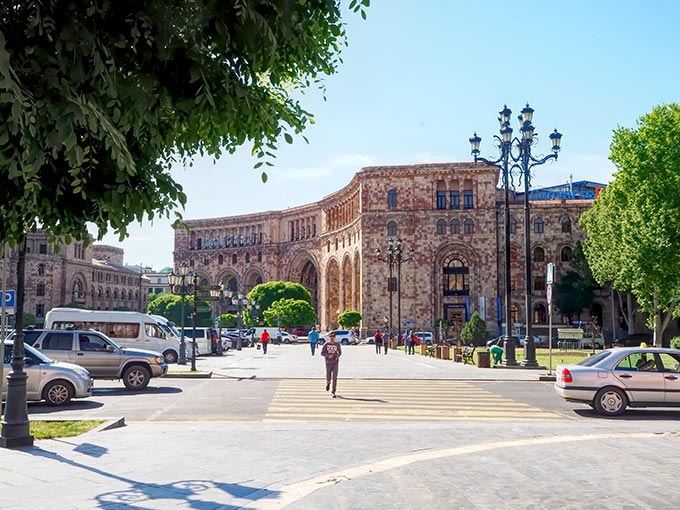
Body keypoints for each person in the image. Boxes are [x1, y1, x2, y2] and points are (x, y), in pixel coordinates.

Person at [321, 331, 342, 398]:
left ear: (335, 337)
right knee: (328, 376)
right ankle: (328, 382)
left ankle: (333, 392)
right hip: (328, 362)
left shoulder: (337, 344)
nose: (332, 337)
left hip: (335, 362)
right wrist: (327, 355)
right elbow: (322, 353)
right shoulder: (326, 344)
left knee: (335, 377)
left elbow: (340, 352)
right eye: (331, 336)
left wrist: (338, 355)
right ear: (329, 337)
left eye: (333, 336)